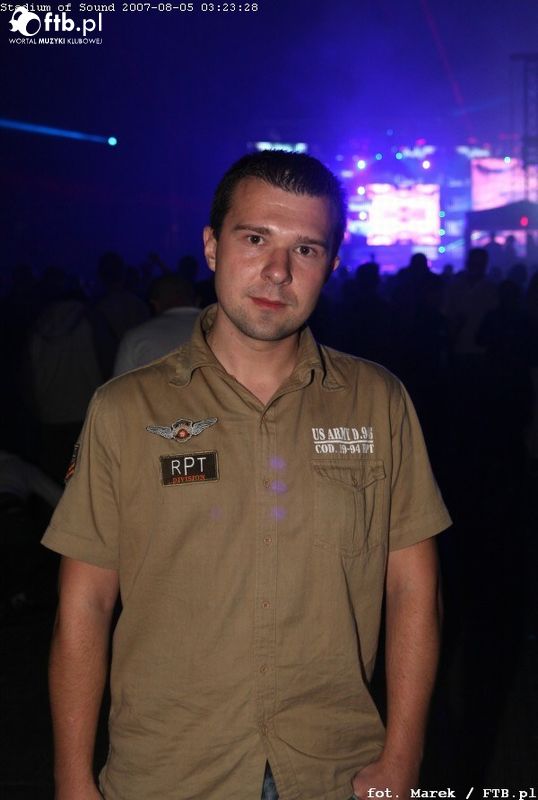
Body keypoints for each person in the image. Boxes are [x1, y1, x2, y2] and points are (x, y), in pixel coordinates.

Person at [43, 151, 451, 800]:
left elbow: (413, 590)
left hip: (333, 769)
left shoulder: (378, 401)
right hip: (167, 772)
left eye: (306, 249)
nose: (278, 271)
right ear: (212, 246)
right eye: (255, 238)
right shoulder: (124, 409)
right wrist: (71, 778)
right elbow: (84, 603)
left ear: (331, 264)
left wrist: (403, 759)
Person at [113, 274, 200, 376]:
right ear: (197, 300)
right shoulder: (212, 326)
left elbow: (120, 383)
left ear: (155, 304)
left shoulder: (135, 337)